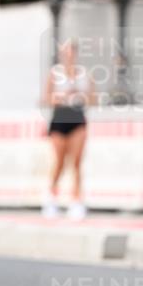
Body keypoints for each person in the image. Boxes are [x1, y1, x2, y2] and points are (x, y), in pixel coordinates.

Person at [42, 38, 94, 220]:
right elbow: (46, 99)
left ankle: (76, 201)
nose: (68, 55)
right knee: (60, 161)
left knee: (77, 162)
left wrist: (79, 95)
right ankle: (51, 198)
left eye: (71, 51)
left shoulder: (84, 74)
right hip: (60, 117)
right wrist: (62, 96)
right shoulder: (55, 74)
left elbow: (93, 99)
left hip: (77, 116)